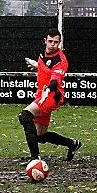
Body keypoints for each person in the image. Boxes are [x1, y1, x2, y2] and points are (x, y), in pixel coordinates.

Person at [18, 28, 82, 165]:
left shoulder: (61, 60)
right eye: (50, 41)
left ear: (60, 43)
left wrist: (48, 90)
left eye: (56, 42)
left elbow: (55, 79)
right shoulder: (43, 53)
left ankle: (35, 159)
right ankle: (72, 144)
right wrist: (37, 66)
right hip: (42, 94)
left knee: (24, 116)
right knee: (39, 136)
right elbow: (46, 67)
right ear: (45, 41)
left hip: (52, 96)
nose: (53, 44)